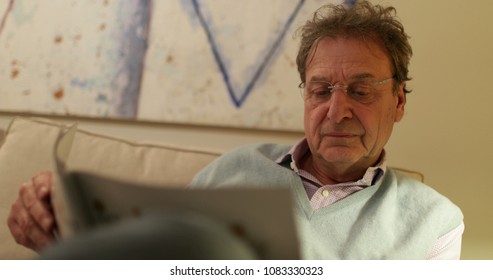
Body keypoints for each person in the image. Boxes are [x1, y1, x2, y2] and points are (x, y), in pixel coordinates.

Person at [7, 1, 464, 259]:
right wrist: (61, 233)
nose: (337, 110)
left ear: (398, 100)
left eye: (361, 91)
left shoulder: (434, 222)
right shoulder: (233, 171)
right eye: (321, 90)